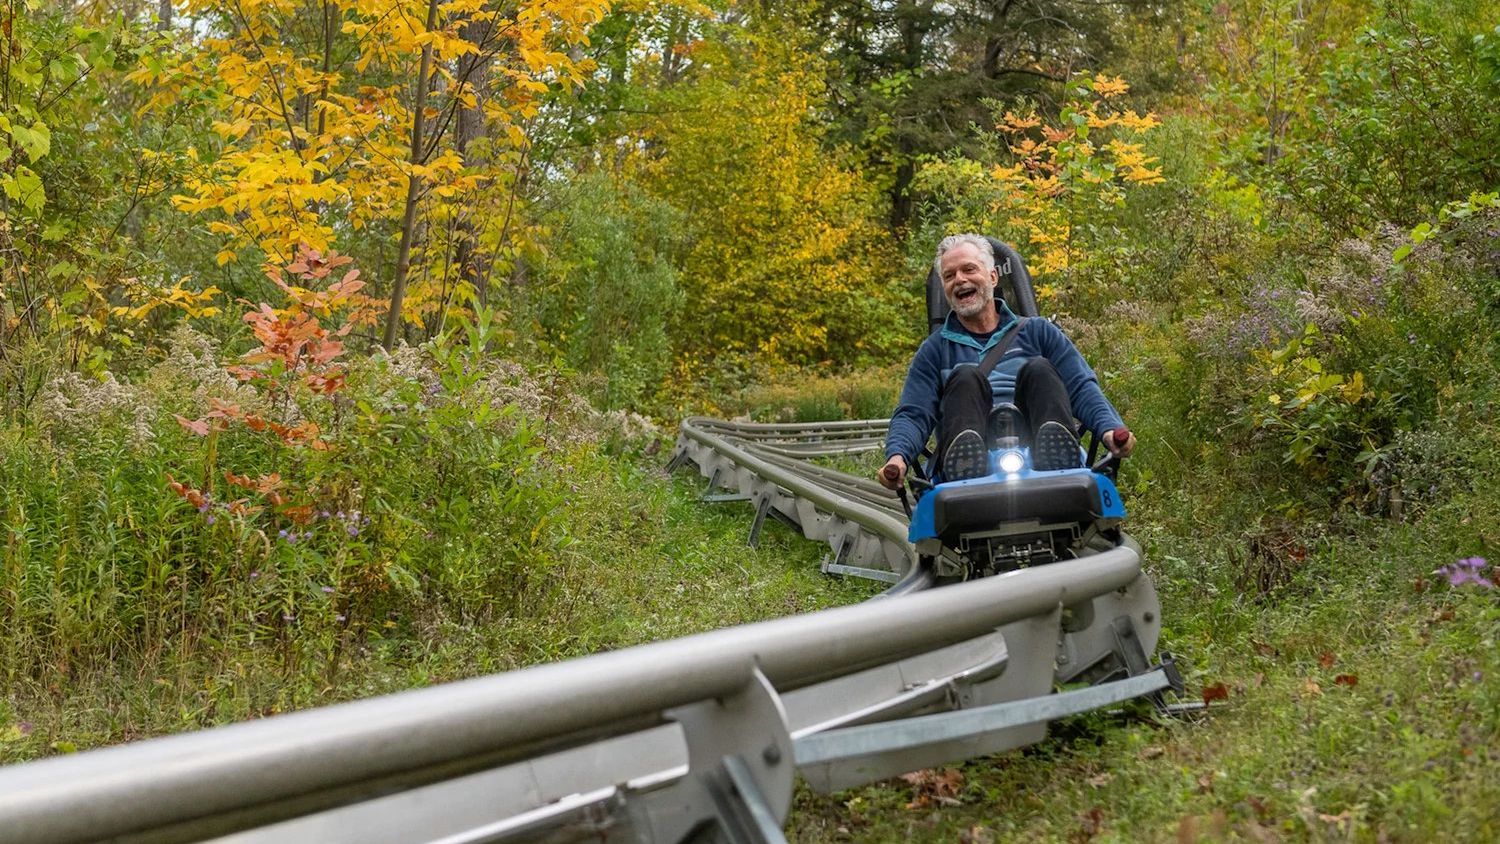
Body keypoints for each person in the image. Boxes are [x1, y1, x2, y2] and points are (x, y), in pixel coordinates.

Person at [878, 233, 1134, 490]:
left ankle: (1058, 460)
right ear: (944, 289)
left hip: (1039, 443)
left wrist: (1110, 428)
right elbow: (913, 412)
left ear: (992, 277)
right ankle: (965, 464)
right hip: (966, 461)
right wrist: (897, 457)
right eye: (949, 275)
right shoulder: (934, 350)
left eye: (969, 269)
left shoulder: (1039, 332)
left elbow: (1081, 387)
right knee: (966, 377)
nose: (959, 280)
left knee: (1039, 369)